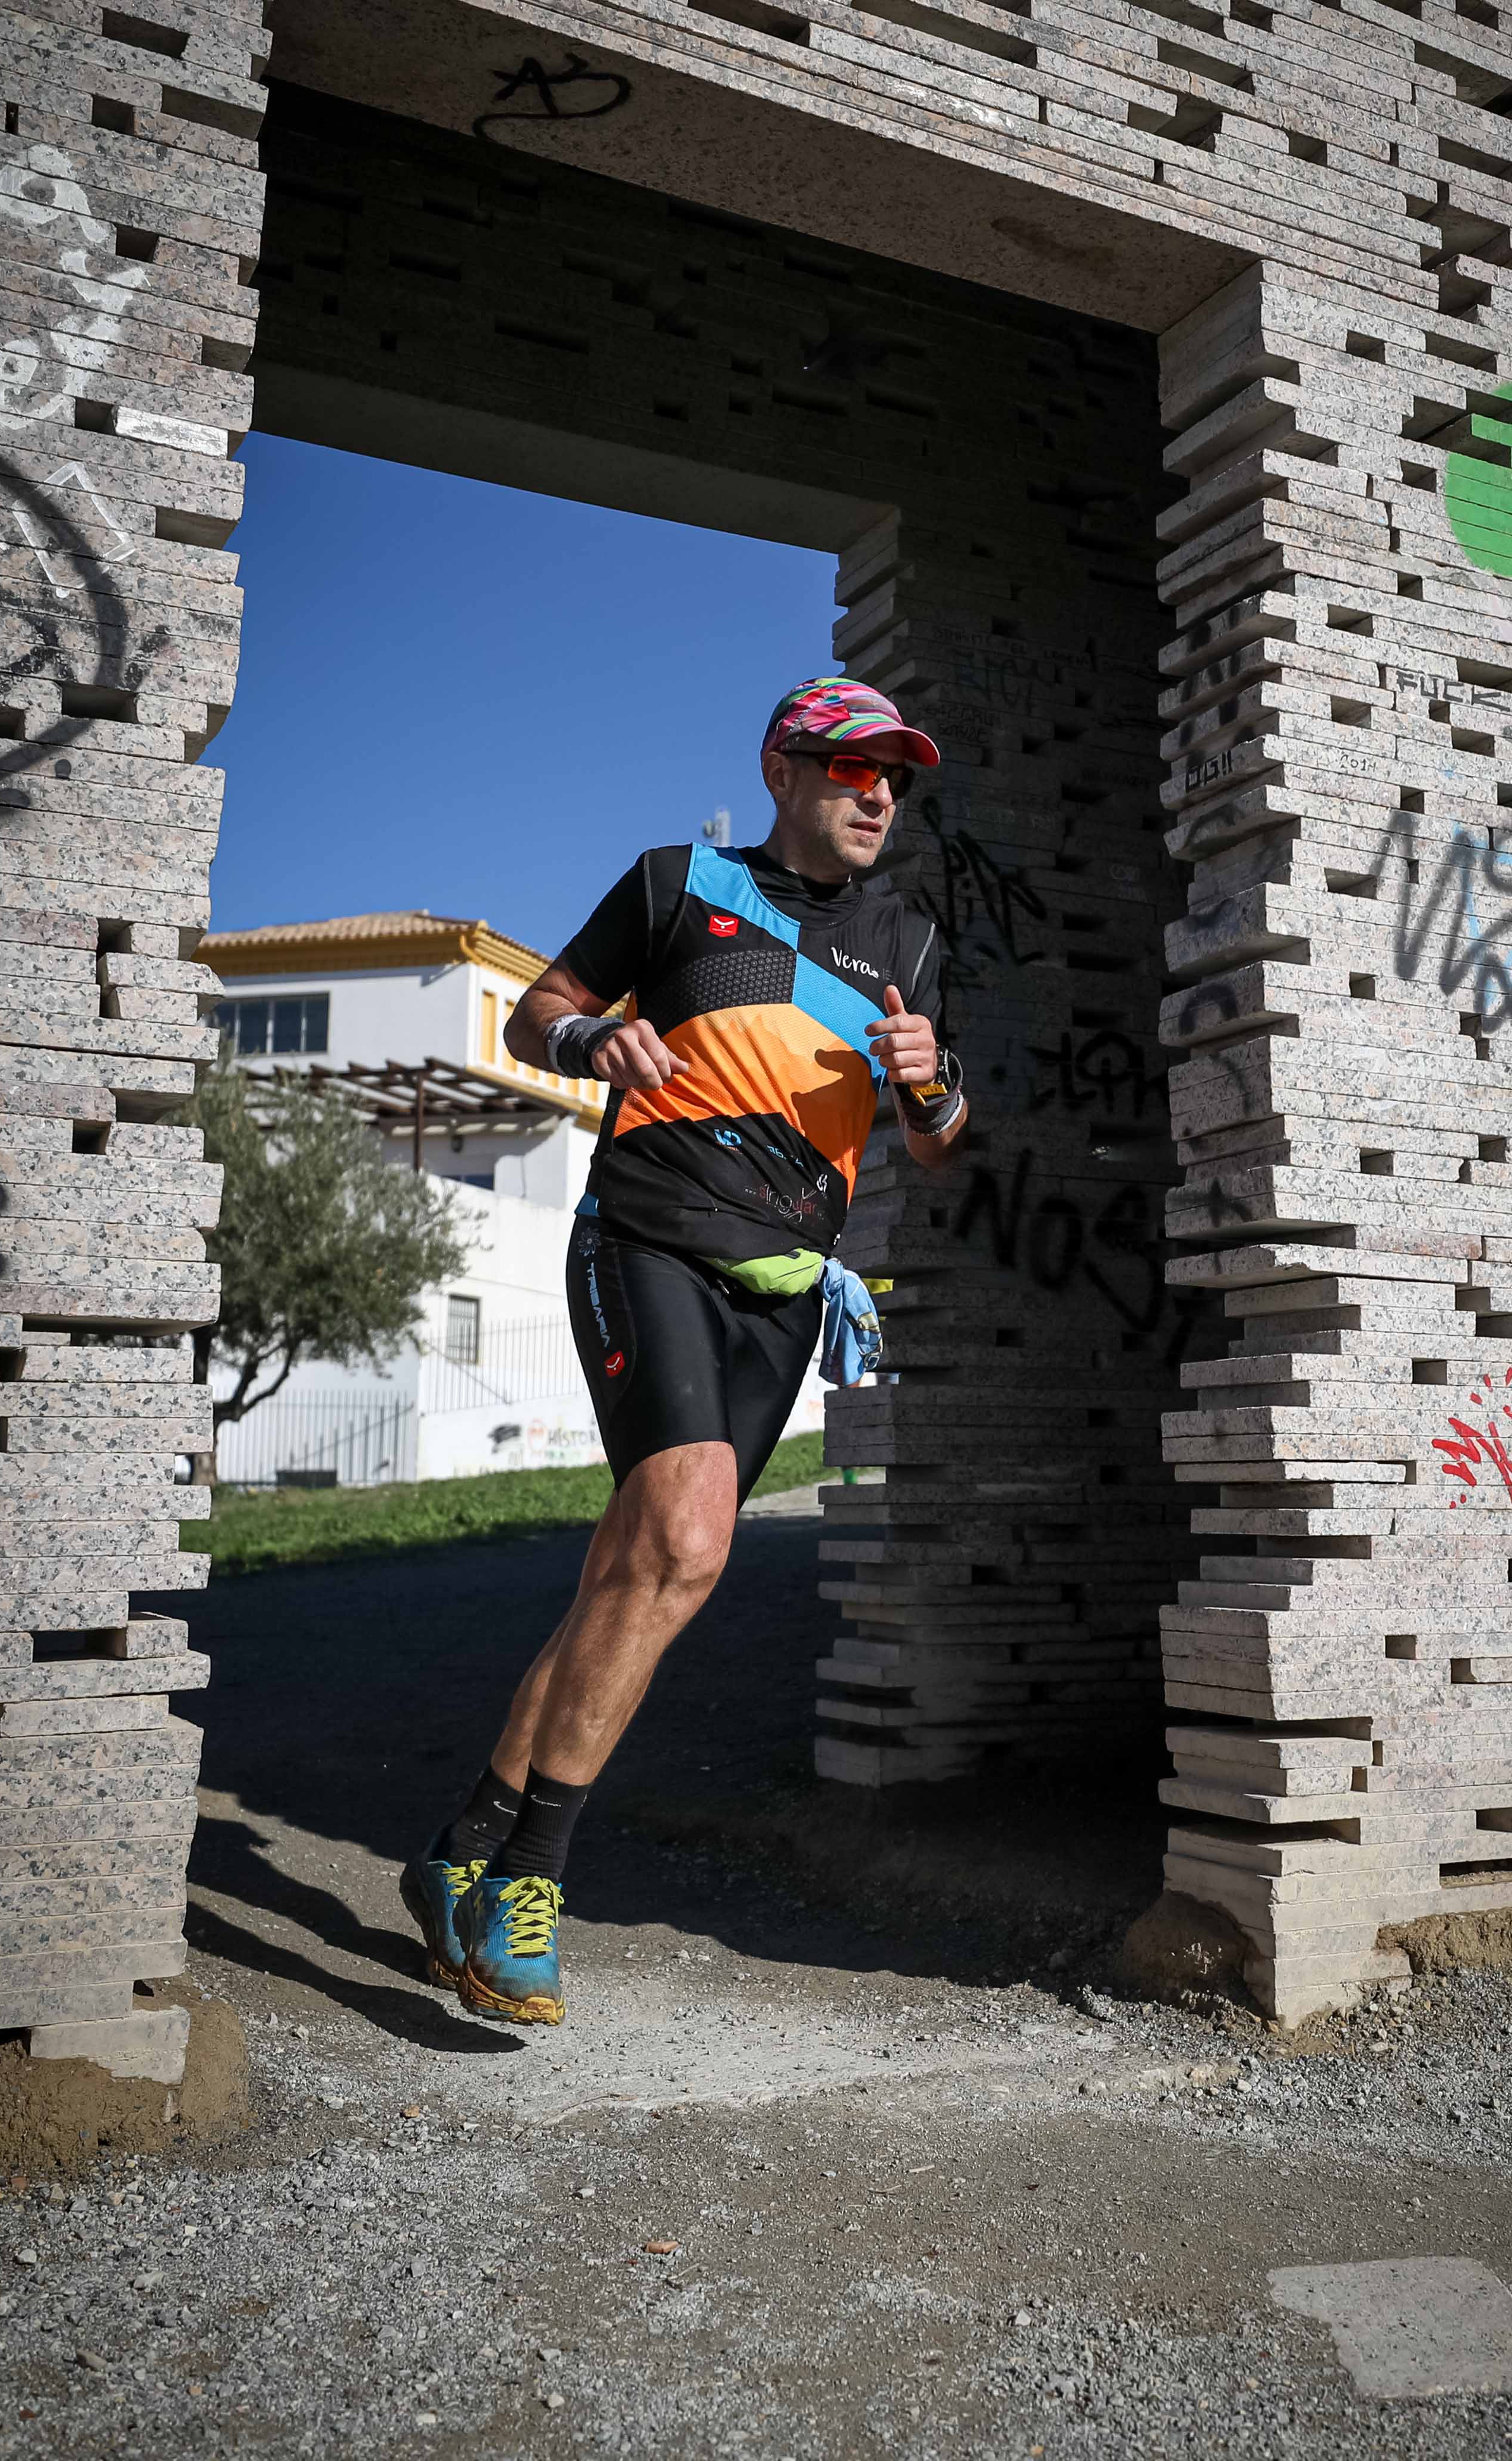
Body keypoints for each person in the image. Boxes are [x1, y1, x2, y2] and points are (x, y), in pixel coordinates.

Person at [400, 677, 969, 2024]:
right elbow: (534, 1013)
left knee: (639, 1576)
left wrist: (933, 1083)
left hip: (785, 1286)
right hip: (647, 1240)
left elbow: (941, 1146)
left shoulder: (908, 939)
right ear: (782, 769)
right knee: (692, 1540)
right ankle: (530, 1880)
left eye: (895, 777)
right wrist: (596, 1034)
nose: (879, 794)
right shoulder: (678, 883)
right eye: (852, 768)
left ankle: (461, 1848)